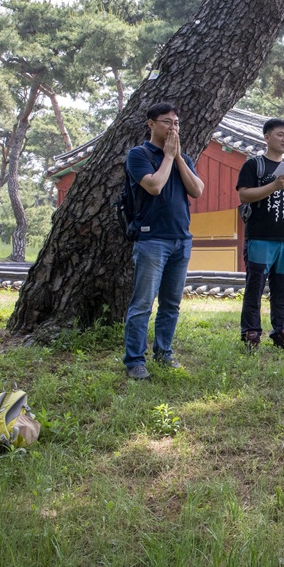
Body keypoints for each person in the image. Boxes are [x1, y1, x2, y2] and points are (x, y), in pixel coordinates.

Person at [122, 103, 204, 380]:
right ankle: (134, 360)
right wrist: (168, 157)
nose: (173, 128)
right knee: (143, 303)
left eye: (177, 123)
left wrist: (179, 157)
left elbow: (197, 190)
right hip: (151, 239)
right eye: (167, 122)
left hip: (181, 238)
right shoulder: (138, 155)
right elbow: (154, 186)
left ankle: (164, 353)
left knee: (171, 303)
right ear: (151, 124)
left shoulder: (184, 158)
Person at [236, 117, 284, 351]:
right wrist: (273, 186)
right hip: (260, 237)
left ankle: (280, 331)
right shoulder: (254, 165)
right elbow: (244, 195)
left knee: (282, 290)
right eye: (280, 135)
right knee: (255, 287)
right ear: (267, 137)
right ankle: (251, 333)